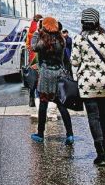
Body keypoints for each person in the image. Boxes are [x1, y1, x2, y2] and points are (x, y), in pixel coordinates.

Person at [71, 8, 105, 166]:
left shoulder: (79, 39)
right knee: (104, 116)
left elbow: (74, 61)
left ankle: (100, 154)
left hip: (87, 84)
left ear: (83, 22)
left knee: (93, 117)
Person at [30, 17, 75, 145]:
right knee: (61, 105)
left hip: (45, 75)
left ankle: (40, 134)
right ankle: (70, 134)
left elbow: (33, 47)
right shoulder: (61, 40)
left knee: (43, 104)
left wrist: (37, 32)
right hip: (59, 73)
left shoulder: (43, 41)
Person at [26, 14, 43, 108]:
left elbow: (28, 44)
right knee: (39, 80)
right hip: (38, 58)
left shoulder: (31, 30)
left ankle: (31, 100)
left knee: (33, 79)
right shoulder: (39, 32)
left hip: (32, 58)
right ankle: (37, 100)